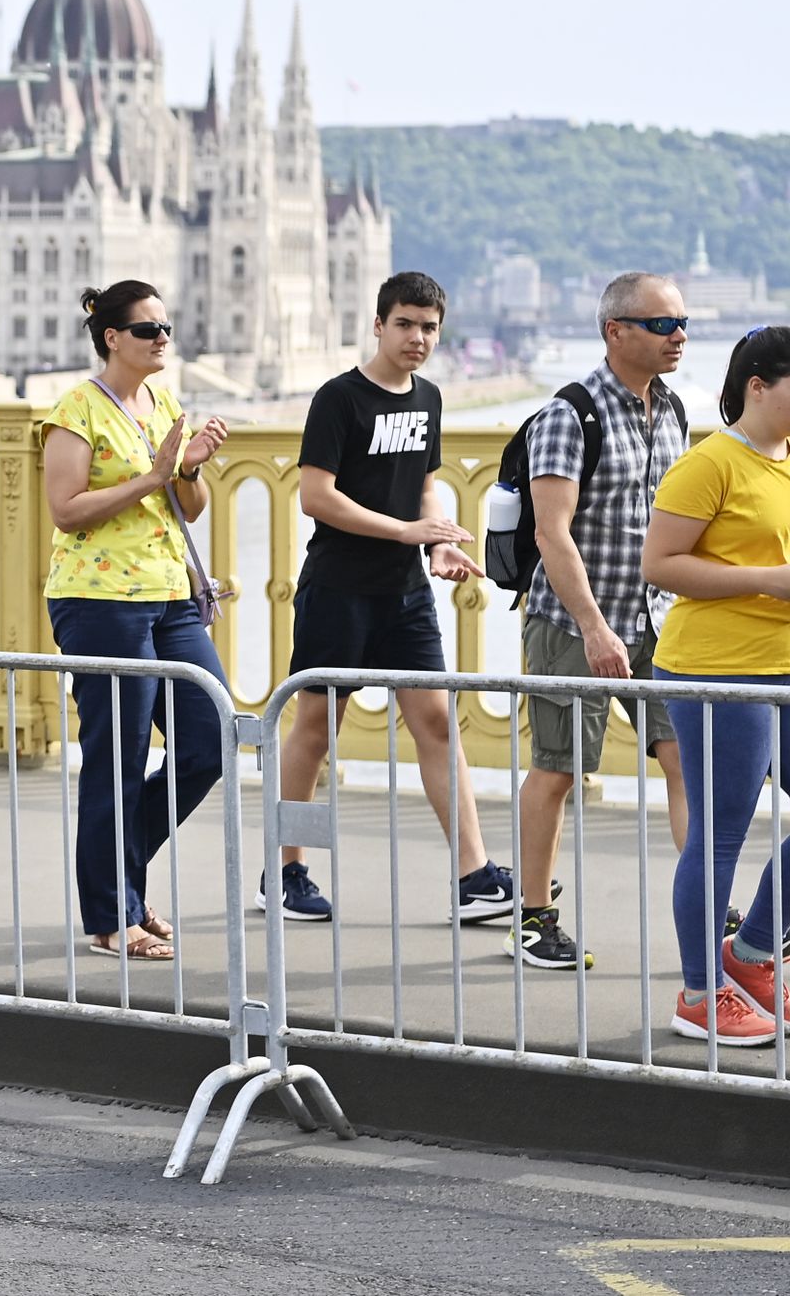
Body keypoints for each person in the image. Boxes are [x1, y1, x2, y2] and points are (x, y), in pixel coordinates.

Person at [275, 271, 522, 923]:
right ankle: (286, 868)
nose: (417, 338)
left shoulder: (430, 398)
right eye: (405, 324)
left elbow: (423, 483)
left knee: (437, 722)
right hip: (337, 589)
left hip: (406, 594)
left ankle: (473, 875)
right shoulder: (340, 399)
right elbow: (316, 496)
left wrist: (436, 543)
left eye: (429, 327)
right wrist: (407, 532)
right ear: (379, 325)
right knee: (315, 728)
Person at [40, 280, 231, 961]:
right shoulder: (76, 409)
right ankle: (110, 914)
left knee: (210, 739)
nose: (162, 339)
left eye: (166, 328)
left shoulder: (165, 403)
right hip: (98, 604)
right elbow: (65, 509)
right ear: (112, 336)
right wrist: (153, 477)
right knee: (116, 761)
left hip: (172, 595)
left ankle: (119, 875)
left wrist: (189, 469)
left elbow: (192, 506)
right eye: (148, 329)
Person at [511, 273, 692, 969]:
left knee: (685, 757)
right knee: (558, 770)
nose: (677, 335)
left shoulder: (672, 409)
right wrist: (592, 626)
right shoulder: (570, 414)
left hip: (657, 620)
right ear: (616, 331)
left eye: (682, 323)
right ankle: (532, 917)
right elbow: (553, 535)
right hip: (574, 621)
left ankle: (702, 900)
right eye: (660, 324)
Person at [642, 325, 790, 1045]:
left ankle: (754, 954)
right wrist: (768, 582)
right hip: (716, 669)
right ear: (757, 385)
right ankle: (700, 993)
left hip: (784, 665)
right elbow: (661, 564)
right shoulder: (710, 464)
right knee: (721, 830)